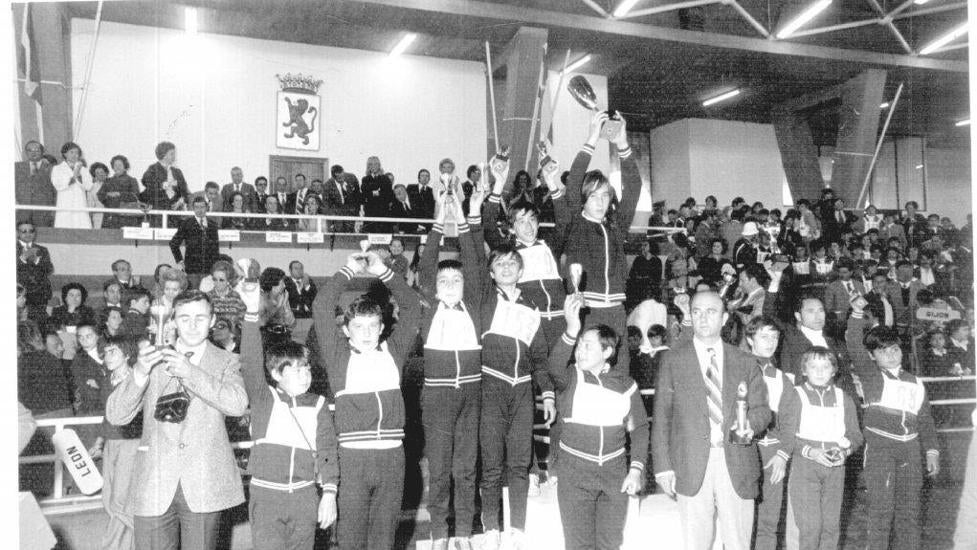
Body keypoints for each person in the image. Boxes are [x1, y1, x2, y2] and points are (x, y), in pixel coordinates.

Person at [105, 290, 248, 550]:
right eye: (184, 318)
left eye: (200, 318)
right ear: (172, 321)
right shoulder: (152, 358)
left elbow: (237, 405)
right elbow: (116, 415)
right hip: (154, 482)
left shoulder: (228, 360)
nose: (192, 325)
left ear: (213, 319)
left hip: (206, 483)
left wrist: (190, 372)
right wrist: (139, 372)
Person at [311, 250, 420, 550]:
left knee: (384, 539)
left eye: (373, 325)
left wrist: (382, 270)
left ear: (383, 327)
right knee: (351, 539)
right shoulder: (338, 357)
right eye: (358, 326)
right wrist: (349, 270)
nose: (367, 333)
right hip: (353, 460)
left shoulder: (393, 352)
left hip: (392, 459)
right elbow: (321, 306)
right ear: (346, 331)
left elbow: (411, 305)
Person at [652, 291, 771, 550]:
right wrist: (662, 466)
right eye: (697, 312)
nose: (703, 318)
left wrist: (749, 424)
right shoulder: (672, 359)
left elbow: (762, 410)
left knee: (738, 543)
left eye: (711, 312)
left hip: (737, 460)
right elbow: (662, 416)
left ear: (725, 317)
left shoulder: (746, 361)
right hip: (690, 462)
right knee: (696, 544)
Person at [470, 193, 555, 548]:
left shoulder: (531, 304)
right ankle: (491, 529)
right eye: (499, 264)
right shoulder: (484, 300)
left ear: (521, 270)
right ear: (490, 272)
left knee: (520, 464)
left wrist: (547, 392)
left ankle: (517, 530)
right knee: (491, 465)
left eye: (511, 264)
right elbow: (475, 248)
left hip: (522, 392)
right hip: (490, 389)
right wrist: (480, 206)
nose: (506, 268)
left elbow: (538, 356)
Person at [236, 279, 338, 550]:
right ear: (276, 375)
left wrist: (329, 492)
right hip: (266, 496)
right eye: (294, 370)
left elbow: (327, 450)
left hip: (305, 497)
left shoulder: (318, 404)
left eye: (306, 369)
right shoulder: (265, 398)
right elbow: (249, 361)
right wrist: (249, 314)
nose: (304, 375)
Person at [547, 294, 647, 550]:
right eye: (579, 345)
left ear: (607, 351)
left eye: (588, 346)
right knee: (579, 545)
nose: (580, 351)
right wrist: (571, 329)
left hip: (614, 473)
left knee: (610, 544)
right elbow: (554, 366)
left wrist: (635, 469)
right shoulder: (571, 378)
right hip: (575, 474)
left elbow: (639, 430)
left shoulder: (626, 385)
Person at [417, 195, 483, 549]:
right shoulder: (429, 308)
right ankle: (439, 533)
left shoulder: (473, 306)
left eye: (456, 279)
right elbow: (428, 264)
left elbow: (473, 264)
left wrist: (463, 221)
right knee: (440, 470)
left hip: (471, 397)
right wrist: (440, 222)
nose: (450, 284)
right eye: (444, 280)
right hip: (438, 399)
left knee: (466, 468)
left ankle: (463, 533)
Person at [560, 111, 640, 375]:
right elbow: (573, 181)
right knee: (585, 376)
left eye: (605, 196)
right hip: (587, 311)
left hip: (615, 311)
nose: (599, 201)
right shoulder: (576, 222)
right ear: (583, 198)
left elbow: (635, 186)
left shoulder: (615, 226)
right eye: (593, 196)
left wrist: (622, 143)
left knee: (618, 375)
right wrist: (593, 137)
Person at [770, 348, 863, 550]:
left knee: (830, 526)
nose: (819, 372)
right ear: (804, 370)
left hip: (835, 467)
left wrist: (844, 452)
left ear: (834, 371)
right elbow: (785, 436)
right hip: (806, 466)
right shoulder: (796, 395)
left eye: (825, 366)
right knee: (811, 527)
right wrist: (810, 451)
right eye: (813, 366)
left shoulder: (843, 398)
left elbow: (856, 436)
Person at [859, 326, 940, 550]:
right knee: (881, 512)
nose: (891, 355)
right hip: (881, 450)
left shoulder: (915, 382)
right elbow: (854, 346)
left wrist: (932, 451)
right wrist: (857, 316)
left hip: (911, 451)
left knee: (910, 513)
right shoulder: (871, 377)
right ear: (872, 356)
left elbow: (925, 421)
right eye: (883, 352)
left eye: (894, 349)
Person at [484, 153, 568, 348]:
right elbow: (488, 224)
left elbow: (564, 220)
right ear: (512, 228)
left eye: (532, 220)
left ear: (538, 223)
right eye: (521, 221)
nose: (528, 226)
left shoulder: (550, 245)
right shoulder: (508, 250)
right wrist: (499, 183)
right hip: (530, 325)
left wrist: (551, 182)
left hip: (559, 323)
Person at [745, 316, 795, 550]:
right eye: (764, 336)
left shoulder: (781, 378)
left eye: (774, 337)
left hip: (772, 454)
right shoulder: (737, 369)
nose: (770, 342)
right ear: (749, 339)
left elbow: (790, 421)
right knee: (741, 519)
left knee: (769, 519)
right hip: (743, 451)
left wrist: (783, 455)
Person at [91, 335, 143, 550]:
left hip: (130, 442)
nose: (107, 356)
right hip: (112, 443)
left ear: (127, 355)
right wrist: (99, 441)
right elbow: (107, 415)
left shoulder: (136, 380)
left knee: (121, 500)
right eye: (106, 352)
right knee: (109, 498)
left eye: (113, 352)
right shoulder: (107, 379)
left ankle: (113, 546)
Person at [169, 196, 220, 289]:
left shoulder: (213, 225)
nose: (199, 210)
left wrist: (215, 267)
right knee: (193, 296)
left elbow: (216, 248)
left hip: (209, 269)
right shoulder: (186, 223)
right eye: (197, 207)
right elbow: (173, 243)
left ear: (206, 208)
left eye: (202, 207)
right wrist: (180, 260)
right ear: (193, 208)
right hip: (192, 270)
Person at [140, 141, 189, 227]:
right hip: (158, 212)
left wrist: (180, 201)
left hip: (175, 212)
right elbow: (145, 181)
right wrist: (162, 185)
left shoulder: (177, 172)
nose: (174, 156)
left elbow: (184, 190)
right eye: (172, 154)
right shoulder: (152, 169)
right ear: (164, 155)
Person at [16, 221, 54, 322]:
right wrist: (23, 258)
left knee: (38, 325)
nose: (28, 234)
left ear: (35, 233)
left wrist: (36, 260)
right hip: (19, 294)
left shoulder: (42, 250)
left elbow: (49, 269)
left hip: (40, 295)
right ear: (17, 233)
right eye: (24, 231)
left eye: (31, 231)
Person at [51, 141, 94, 229]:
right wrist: (73, 177)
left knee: (82, 226)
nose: (75, 155)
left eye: (77, 153)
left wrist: (79, 176)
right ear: (65, 154)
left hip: (80, 203)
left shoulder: (84, 169)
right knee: (64, 227)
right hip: (65, 203)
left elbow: (89, 186)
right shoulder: (57, 169)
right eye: (72, 152)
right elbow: (57, 184)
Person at [15, 140, 57, 227]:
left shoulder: (52, 169)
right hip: (22, 209)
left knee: (43, 236)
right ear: (26, 152)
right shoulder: (16, 167)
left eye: (36, 150)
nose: (33, 153)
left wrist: (54, 210)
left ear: (42, 152)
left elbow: (55, 191)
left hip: (44, 211)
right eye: (30, 150)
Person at [99, 155, 143, 229]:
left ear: (125, 166)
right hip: (110, 216)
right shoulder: (108, 181)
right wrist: (107, 194)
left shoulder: (132, 180)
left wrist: (120, 194)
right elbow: (100, 195)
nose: (117, 167)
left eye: (120, 165)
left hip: (127, 218)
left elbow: (135, 196)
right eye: (115, 165)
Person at [284, 260, 317, 344]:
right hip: (293, 319)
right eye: (296, 268)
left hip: (308, 318)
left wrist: (306, 286)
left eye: (301, 268)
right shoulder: (285, 283)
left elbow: (315, 299)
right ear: (290, 271)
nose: (299, 271)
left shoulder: (309, 282)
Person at [322, 165, 360, 233]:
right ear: (333, 177)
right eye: (338, 178)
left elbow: (358, 197)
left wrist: (357, 214)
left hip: (351, 215)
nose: (341, 179)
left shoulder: (352, 178)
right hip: (336, 217)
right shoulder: (327, 186)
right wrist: (334, 219)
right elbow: (326, 205)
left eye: (342, 176)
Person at [361, 156, 393, 232]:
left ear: (379, 165)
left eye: (376, 164)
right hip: (370, 212)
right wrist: (378, 191)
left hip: (383, 212)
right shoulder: (365, 179)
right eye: (371, 164)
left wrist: (372, 192)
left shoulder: (385, 178)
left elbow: (387, 194)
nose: (373, 166)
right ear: (368, 166)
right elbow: (365, 194)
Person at [88, 161, 109, 228]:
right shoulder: (91, 187)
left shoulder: (112, 184)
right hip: (98, 216)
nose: (100, 174)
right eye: (97, 173)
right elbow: (90, 205)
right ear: (94, 175)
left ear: (106, 173)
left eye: (102, 172)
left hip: (110, 216)